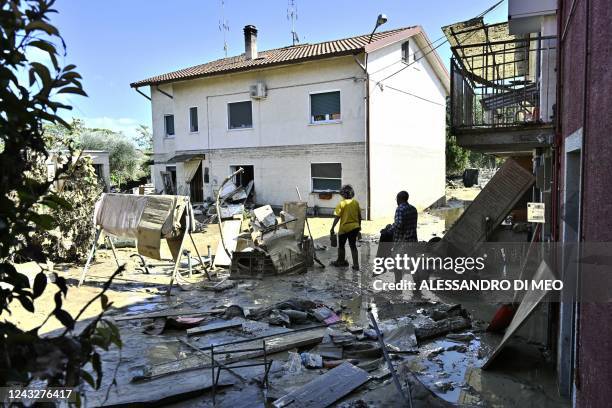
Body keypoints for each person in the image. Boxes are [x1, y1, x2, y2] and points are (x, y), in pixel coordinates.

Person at [330, 185, 361, 270]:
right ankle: (356, 265)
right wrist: (359, 228)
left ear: (342, 194)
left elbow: (337, 217)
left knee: (341, 246)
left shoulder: (341, 203)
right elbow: (359, 217)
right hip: (355, 227)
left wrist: (332, 228)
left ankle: (341, 262)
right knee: (353, 246)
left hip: (344, 228)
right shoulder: (356, 203)